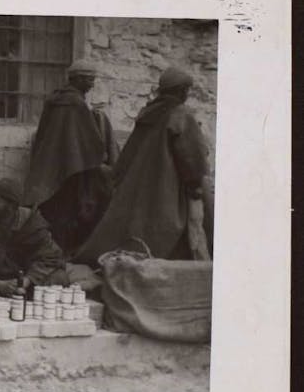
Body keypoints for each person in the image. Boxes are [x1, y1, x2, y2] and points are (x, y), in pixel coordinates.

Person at [74, 67, 211, 265]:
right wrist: (196, 187)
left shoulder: (148, 112)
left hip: (142, 186)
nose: (187, 94)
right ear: (182, 91)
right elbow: (193, 157)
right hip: (168, 188)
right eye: (186, 90)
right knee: (181, 232)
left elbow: (128, 154)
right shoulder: (181, 115)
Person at [22, 59, 119, 256]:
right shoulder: (76, 103)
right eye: (90, 80)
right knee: (69, 212)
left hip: (49, 165)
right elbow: (91, 142)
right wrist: (103, 156)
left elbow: (44, 134)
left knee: (52, 210)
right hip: (71, 170)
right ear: (79, 79)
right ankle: (63, 254)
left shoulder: (54, 99)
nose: (92, 84)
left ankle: (49, 251)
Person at [0, 178, 68, 298]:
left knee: (59, 277)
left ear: (11, 206)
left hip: (24, 284)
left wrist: (25, 281)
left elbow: (50, 258)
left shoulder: (32, 224)